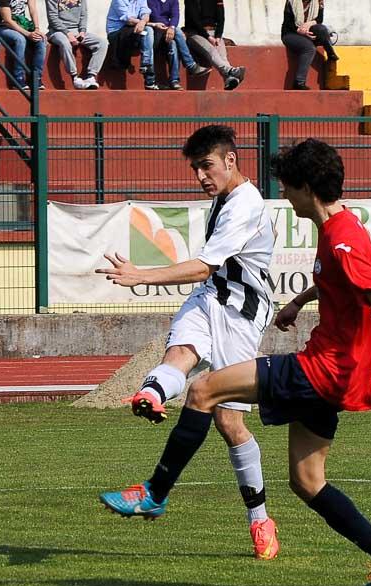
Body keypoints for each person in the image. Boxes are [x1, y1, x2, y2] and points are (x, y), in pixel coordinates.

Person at [99, 138, 371, 586]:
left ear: (307, 187)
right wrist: (297, 302)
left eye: (288, 187)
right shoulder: (340, 228)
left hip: (320, 371)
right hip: (332, 378)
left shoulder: (343, 239)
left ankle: (155, 492)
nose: (284, 197)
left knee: (203, 391)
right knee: (308, 482)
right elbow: (340, 281)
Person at [95, 125, 279, 560]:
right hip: (210, 297)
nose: (200, 175)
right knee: (180, 355)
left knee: (230, 424)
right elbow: (206, 278)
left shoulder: (245, 206)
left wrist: (141, 275)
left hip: (240, 315)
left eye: (207, 165)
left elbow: (201, 267)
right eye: (196, 167)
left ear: (231, 160)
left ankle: (260, 520)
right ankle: (152, 395)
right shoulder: (224, 198)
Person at [146, 0, 211, 90]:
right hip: (155, 31)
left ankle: (174, 80)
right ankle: (190, 65)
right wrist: (170, 28)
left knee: (173, 44)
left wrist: (172, 27)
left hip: (168, 32)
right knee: (178, 31)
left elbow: (175, 15)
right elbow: (155, 17)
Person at [182, 0, 246, 90]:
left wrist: (218, 36)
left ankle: (229, 79)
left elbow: (221, 18)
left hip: (214, 33)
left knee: (223, 56)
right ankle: (231, 71)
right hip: (195, 33)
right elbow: (194, 20)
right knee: (211, 50)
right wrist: (208, 37)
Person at [46, 0, 108, 90]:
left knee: (102, 43)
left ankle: (91, 76)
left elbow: (83, 15)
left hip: (77, 31)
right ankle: (74, 78)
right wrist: (68, 33)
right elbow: (52, 18)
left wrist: (82, 31)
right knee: (65, 43)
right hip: (57, 31)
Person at [281, 0, 338, 90]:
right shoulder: (291, 1)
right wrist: (300, 30)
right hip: (291, 33)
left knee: (322, 29)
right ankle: (299, 82)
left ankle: (330, 53)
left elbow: (319, 19)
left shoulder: (319, 1)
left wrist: (309, 24)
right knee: (309, 48)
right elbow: (288, 23)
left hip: (308, 31)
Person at [0, 0, 48, 90]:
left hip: (22, 26)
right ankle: (18, 78)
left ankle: (36, 78)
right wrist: (28, 34)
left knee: (41, 39)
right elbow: (7, 20)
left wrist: (37, 29)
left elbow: (33, 10)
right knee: (20, 39)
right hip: (3, 27)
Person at [106, 0, 159, 89]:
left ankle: (146, 66)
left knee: (148, 31)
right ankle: (149, 75)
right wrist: (149, 24)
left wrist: (143, 21)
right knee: (147, 30)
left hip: (133, 29)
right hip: (116, 33)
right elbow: (128, 20)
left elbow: (145, 13)